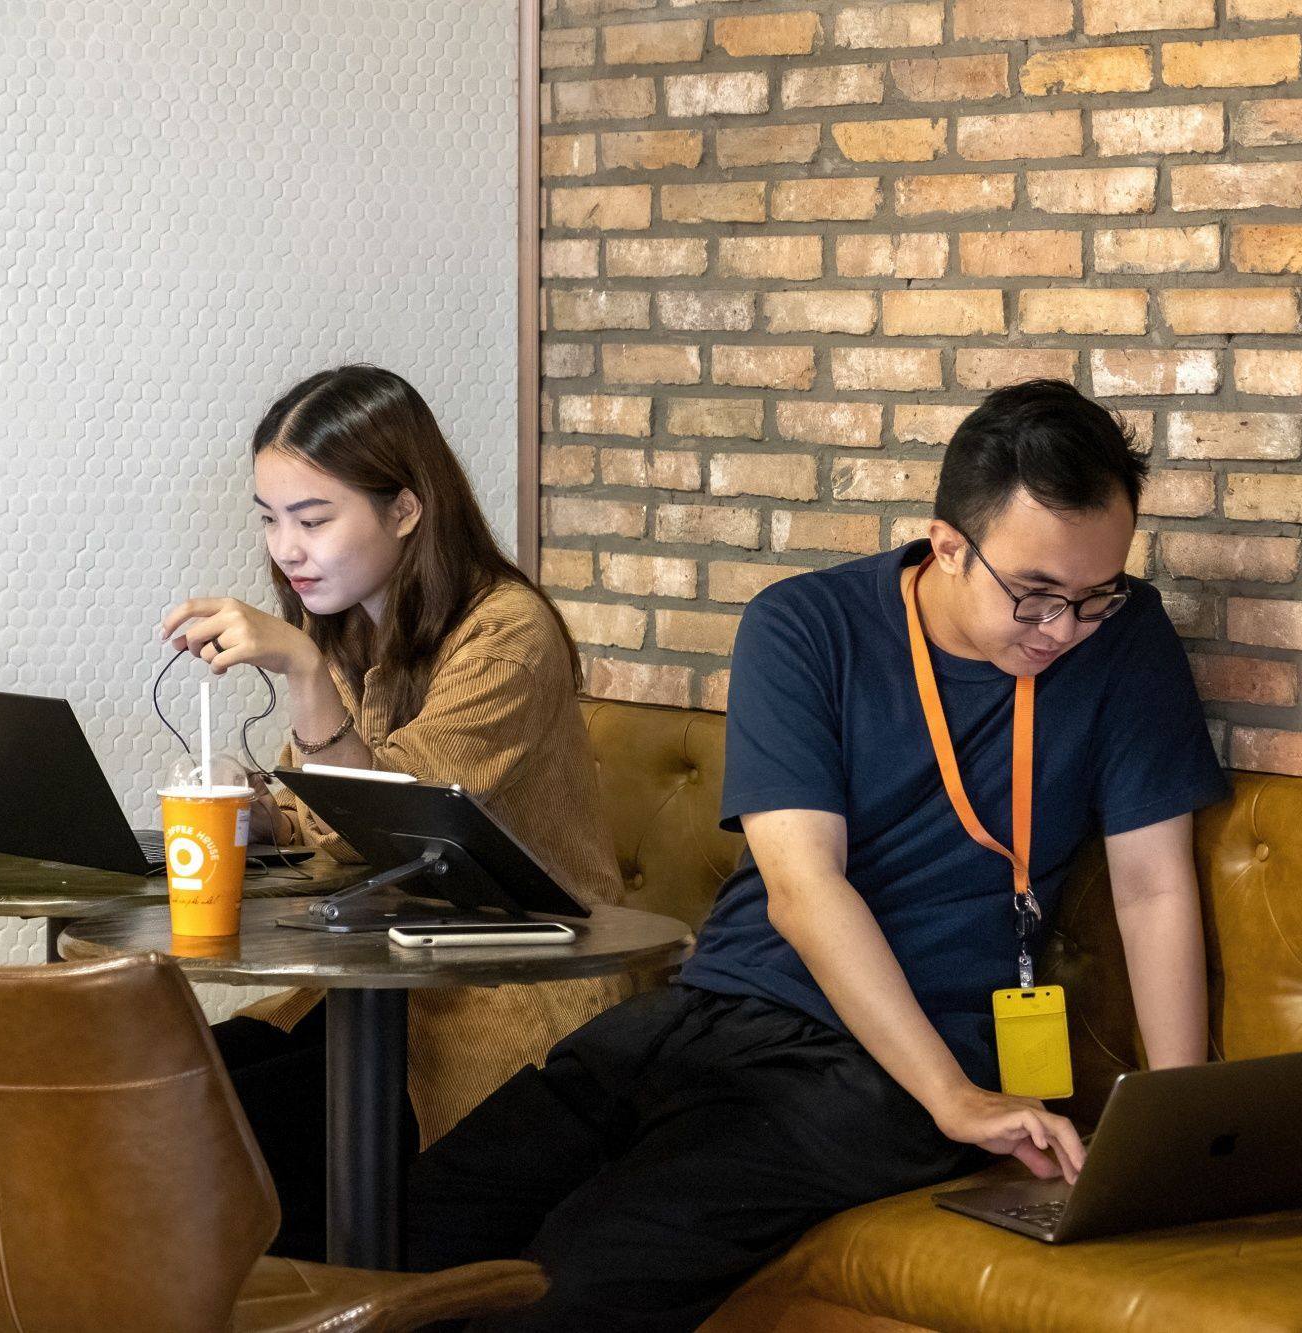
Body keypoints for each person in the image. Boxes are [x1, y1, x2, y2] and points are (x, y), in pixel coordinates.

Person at [404, 379, 1230, 1329]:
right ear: (948, 543)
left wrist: (1167, 1136)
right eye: (1036, 597)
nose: (1064, 630)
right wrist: (956, 1097)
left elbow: (1153, 885)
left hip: (876, 1075)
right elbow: (804, 887)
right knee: (409, 1234)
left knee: (573, 1282)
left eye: (1093, 595)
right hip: (709, 1011)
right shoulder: (807, 626)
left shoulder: (1123, 642)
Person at [155, 365, 625, 1260]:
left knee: (237, 1141)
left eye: (313, 517)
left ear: (406, 508)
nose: (285, 547)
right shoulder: (353, 625)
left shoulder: (506, 631)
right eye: (269, 517)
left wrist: (298, 670)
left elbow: (401, 812)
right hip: (389, 983)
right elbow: (342, 817)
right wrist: (269, 813)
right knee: (171, 1097)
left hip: (511, 993)